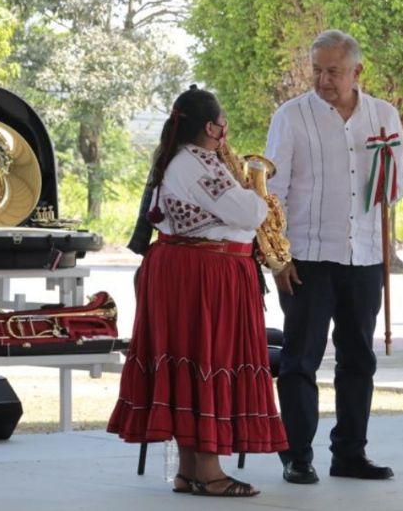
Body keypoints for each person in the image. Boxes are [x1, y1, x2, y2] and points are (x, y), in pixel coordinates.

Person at [107, 86, 288, 497]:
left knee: (194, 360)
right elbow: (248, 211)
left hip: (199, 271)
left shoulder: (187, 160)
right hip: (202, 274)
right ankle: (208, 470)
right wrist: (256, 193)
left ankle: (192, 470)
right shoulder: (194, 164)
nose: (226, 129)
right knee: (207, 358)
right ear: (211, 126)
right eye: (222, 121)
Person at [265, 29, 403, 484]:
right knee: (301, 358)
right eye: (317, 70)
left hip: (363, 255)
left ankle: (350, 453)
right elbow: (273, 192)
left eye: (333, 71)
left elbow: (396, 189)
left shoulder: (384, 116)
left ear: (357, 71)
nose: (323, 80)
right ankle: (297, 455)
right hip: (306, 256)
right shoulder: (290, 116)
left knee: (359, 359)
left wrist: (385, 172)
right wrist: (278, 257)